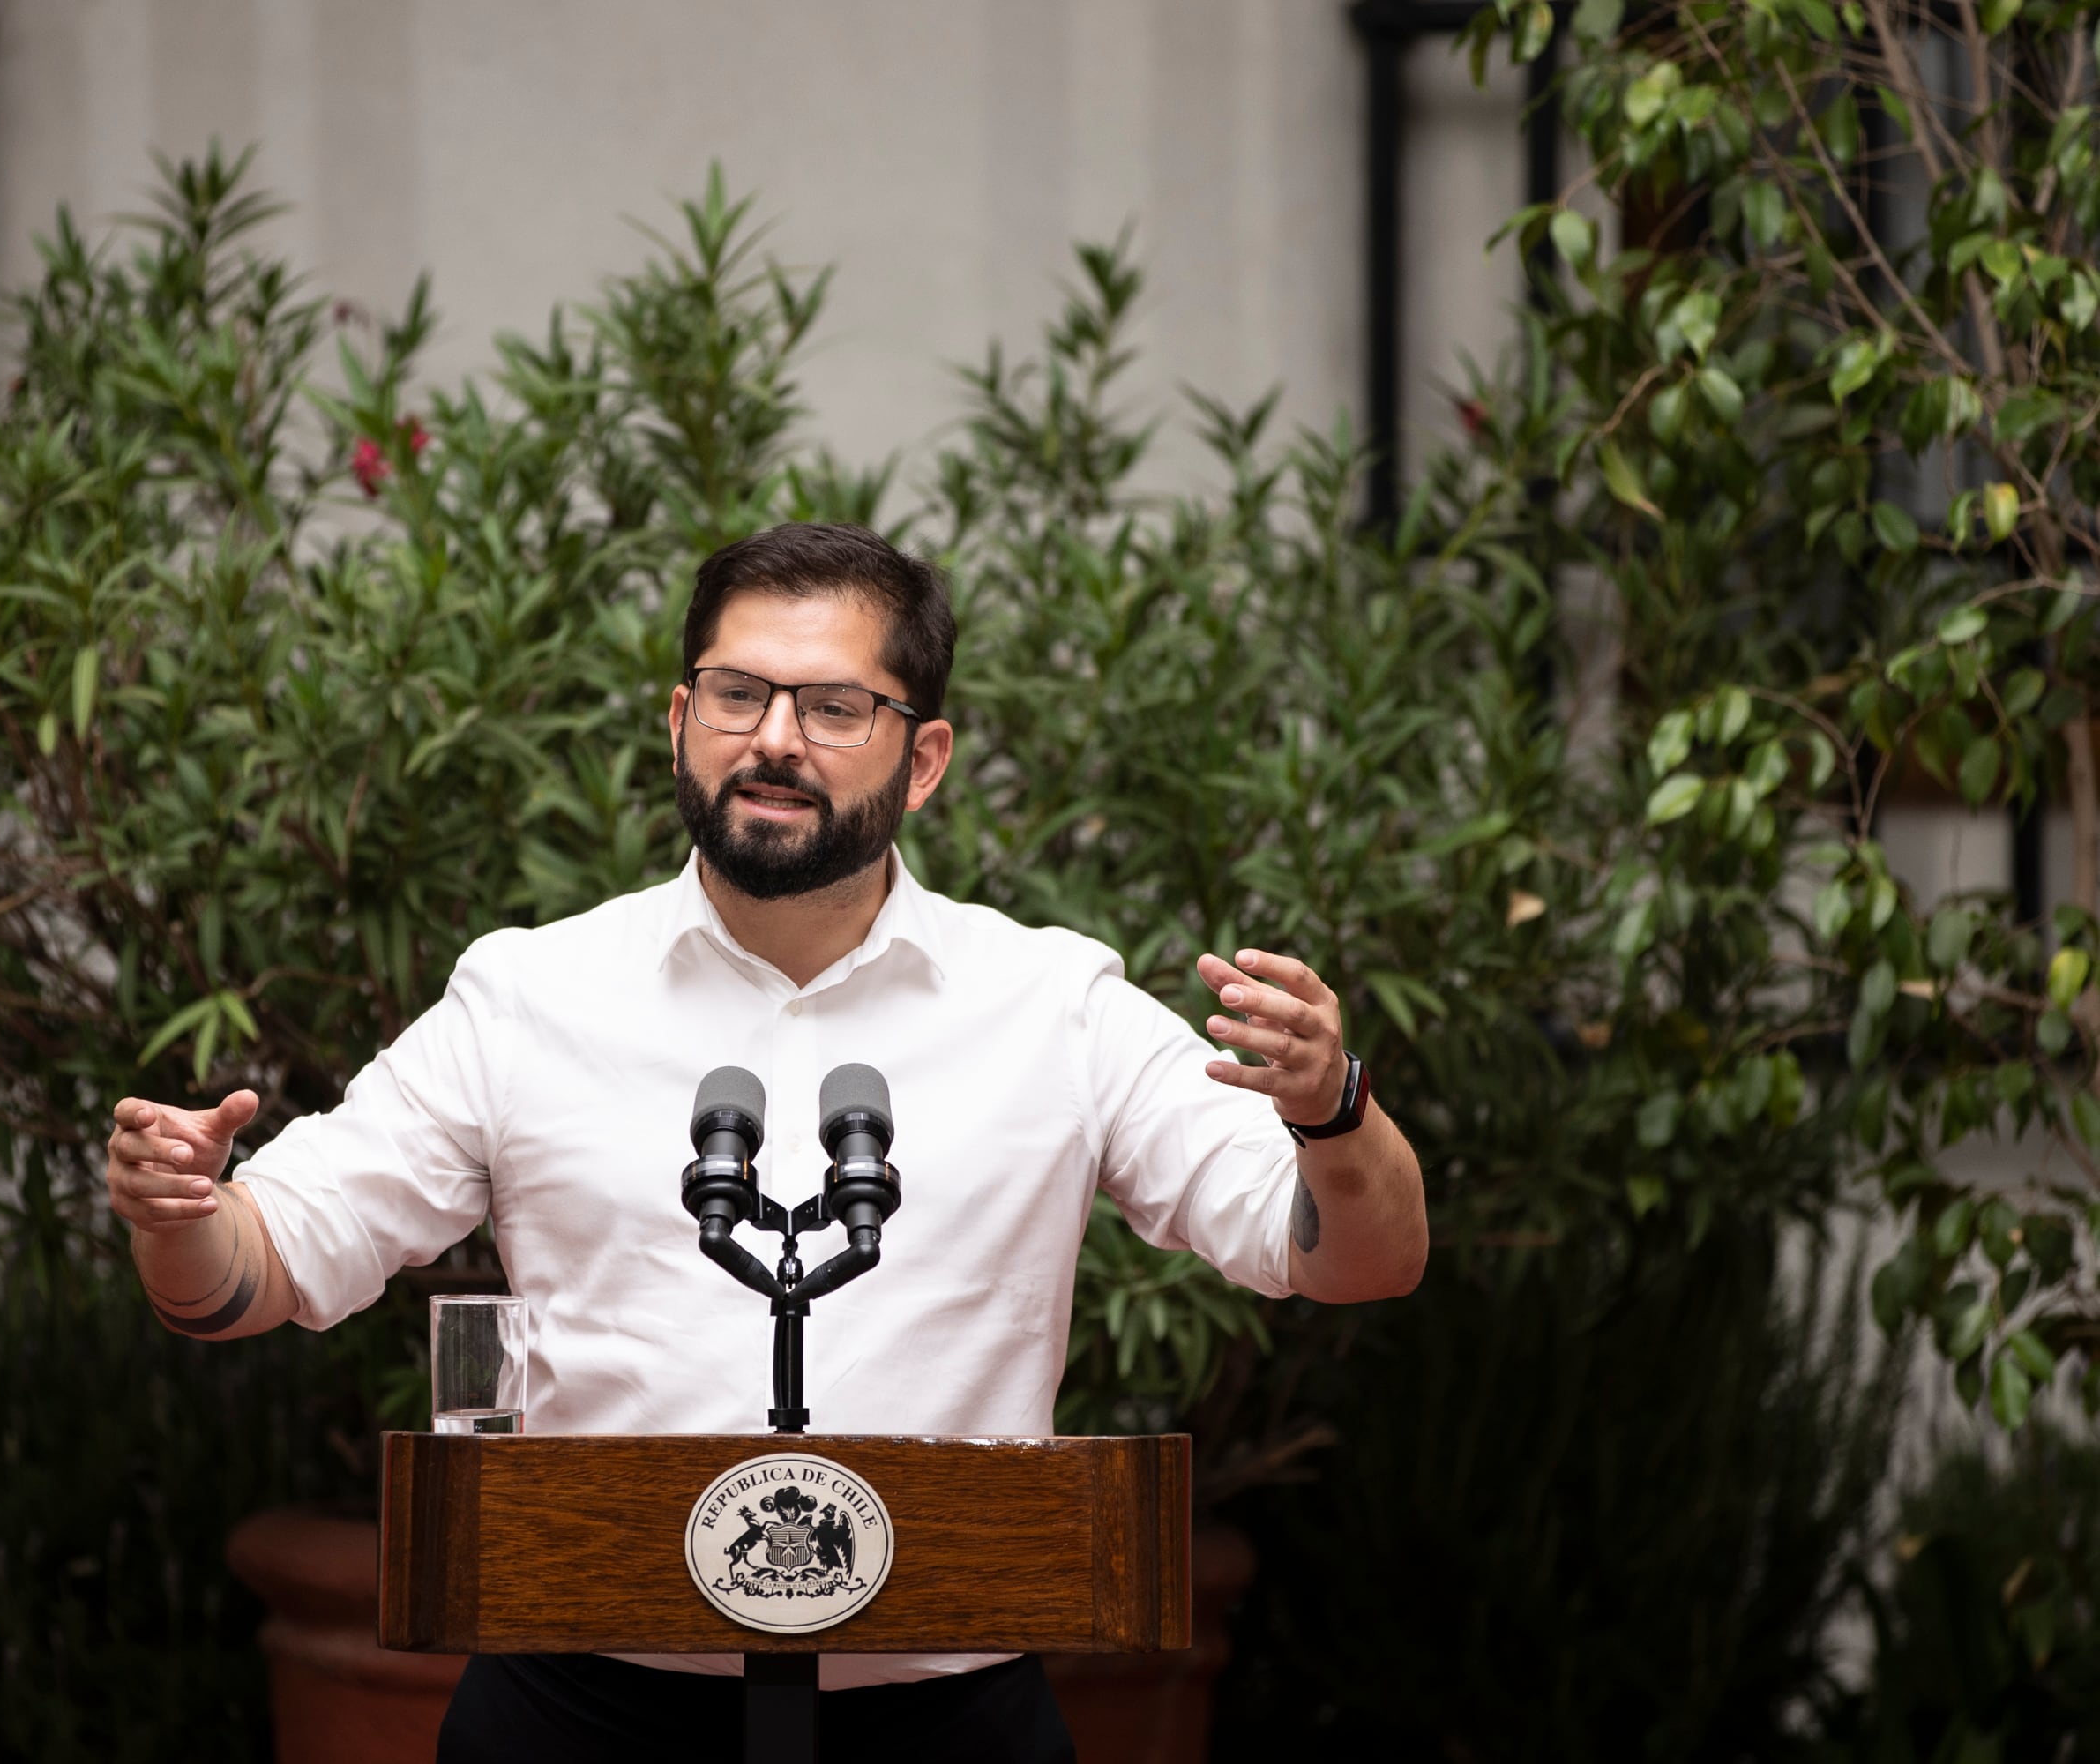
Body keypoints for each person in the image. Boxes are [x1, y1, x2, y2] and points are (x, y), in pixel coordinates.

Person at [103, 522, 1425, 1762]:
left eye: (835, 706)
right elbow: (261, 1269)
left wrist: (1333, 1112)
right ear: (681, 723)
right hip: (580, 1714)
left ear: (925, 756)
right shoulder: (529, 996)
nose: (775, 739)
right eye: (738, 694)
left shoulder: (1055, 1006)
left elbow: (1356, 1260)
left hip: (945, 1722)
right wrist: (181, 1217)